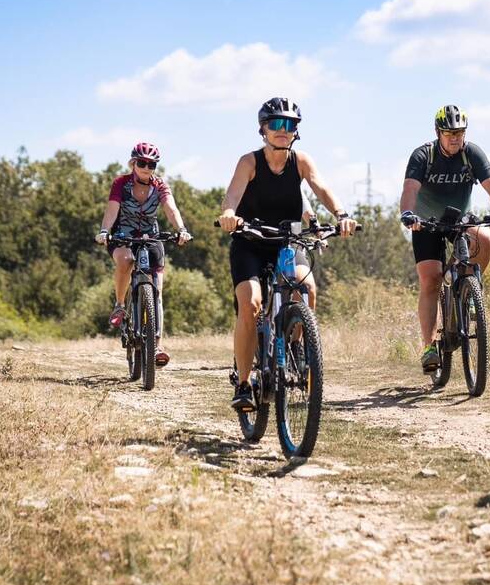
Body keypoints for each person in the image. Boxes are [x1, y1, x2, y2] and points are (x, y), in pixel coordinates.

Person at [218, 97, 358, 412]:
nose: (283, 130)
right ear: (263, 129)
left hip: (286, 241)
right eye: (276, 124)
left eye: (290, 124)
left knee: (305, 288)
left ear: (296, 131)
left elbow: (321, 188)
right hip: (250, 241)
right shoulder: (249, 162)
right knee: (250, 303)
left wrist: (341, 214)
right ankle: (243, 383)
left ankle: (297, 348)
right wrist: (229, 213)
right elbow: (233, 194)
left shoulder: (301, 161)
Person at [399, 105, 490, 374]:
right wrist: (408, 214)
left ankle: (469, 289)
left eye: (460, 132)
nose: (455, 138)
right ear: (438, 132)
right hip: (426, 224)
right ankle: (430, 346)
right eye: (449, 132)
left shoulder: (471, 153)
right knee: (431, 279)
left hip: (459, 221)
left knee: (485, 237)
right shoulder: (423, 155)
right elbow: (410, 189)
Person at [95, 142, 192, 367]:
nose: (146, 167)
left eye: (151, 164)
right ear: (133, 163)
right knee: (126, 259)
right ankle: (120, 303)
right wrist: (104, 231)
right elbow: (112, 209)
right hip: (123, 235)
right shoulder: (120, 183)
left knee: (157, 292)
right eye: (142, 163)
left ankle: (157, 344)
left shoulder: (160, 186)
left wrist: (181, 230)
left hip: (151, 237)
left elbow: (171, 208)